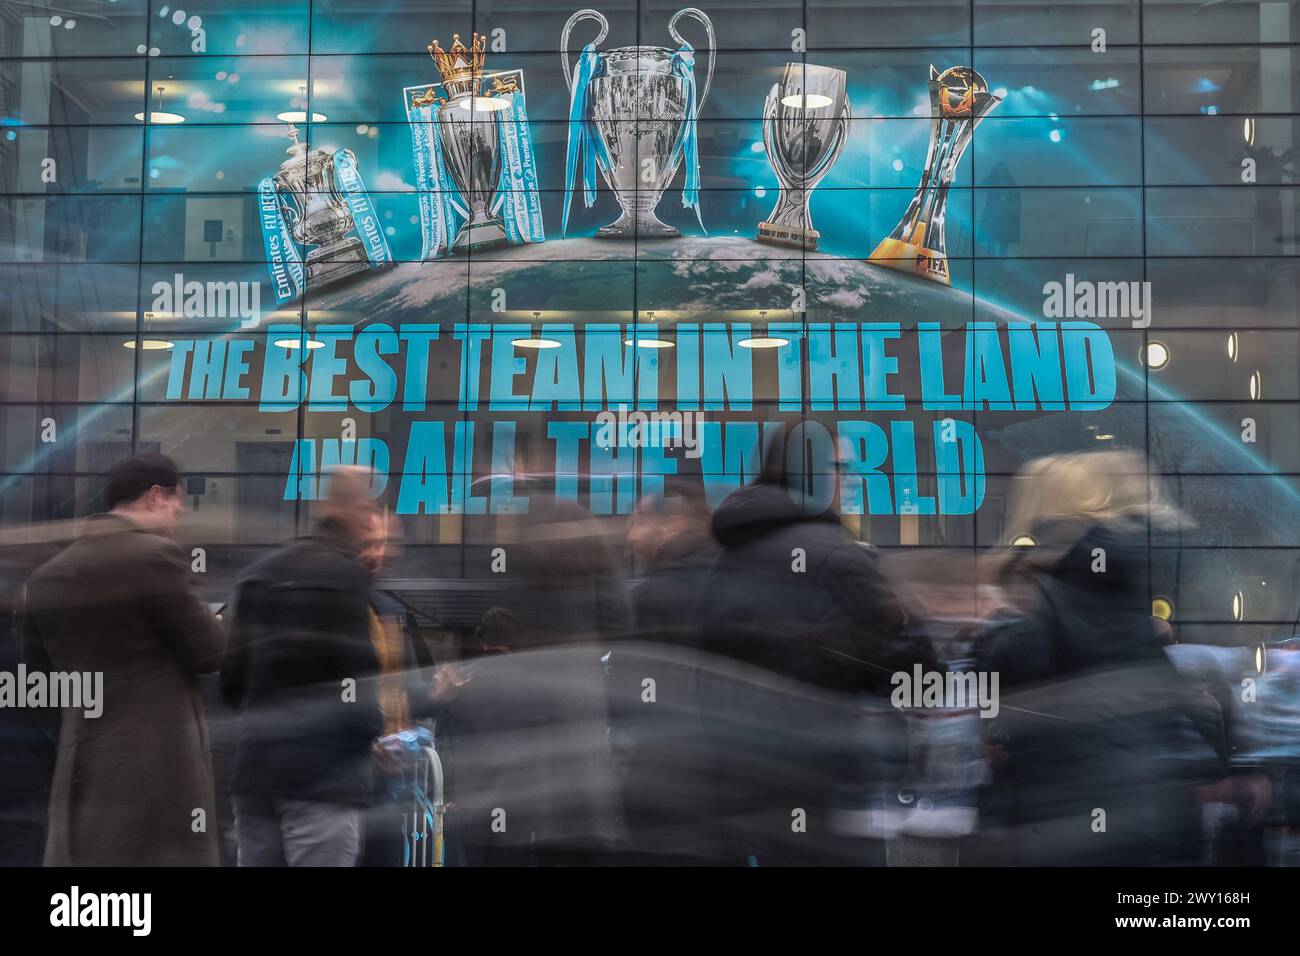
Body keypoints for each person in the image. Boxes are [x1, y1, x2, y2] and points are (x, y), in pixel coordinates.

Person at [694, 428, 935, 864]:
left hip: (737, 772)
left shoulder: (730, 553)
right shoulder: (836, 557)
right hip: (823, 777)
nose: (851, 480)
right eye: (839, 468)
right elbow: (914, 670)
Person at [971, 450, 1222, 866]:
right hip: (1138, 803)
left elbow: (1011, 676)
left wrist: (991, 636)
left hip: (1069, 814)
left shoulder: (1057, 584)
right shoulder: (1111, 581)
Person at [22, 453, 225, 865]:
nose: (174, 520)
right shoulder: (154, 556)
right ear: (154, 497)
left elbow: (37, 685)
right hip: (162, 766)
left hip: (80, 761)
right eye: (174, 507)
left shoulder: (47, 576)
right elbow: (210, 652)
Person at [221, 466, 383, 866]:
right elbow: (356, 681)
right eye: (369, 509)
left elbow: (231, 684)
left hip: (255, 772)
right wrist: (373, 734)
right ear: (353, 510)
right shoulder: (346, 576)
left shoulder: (258, 574)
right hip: (322, 778)